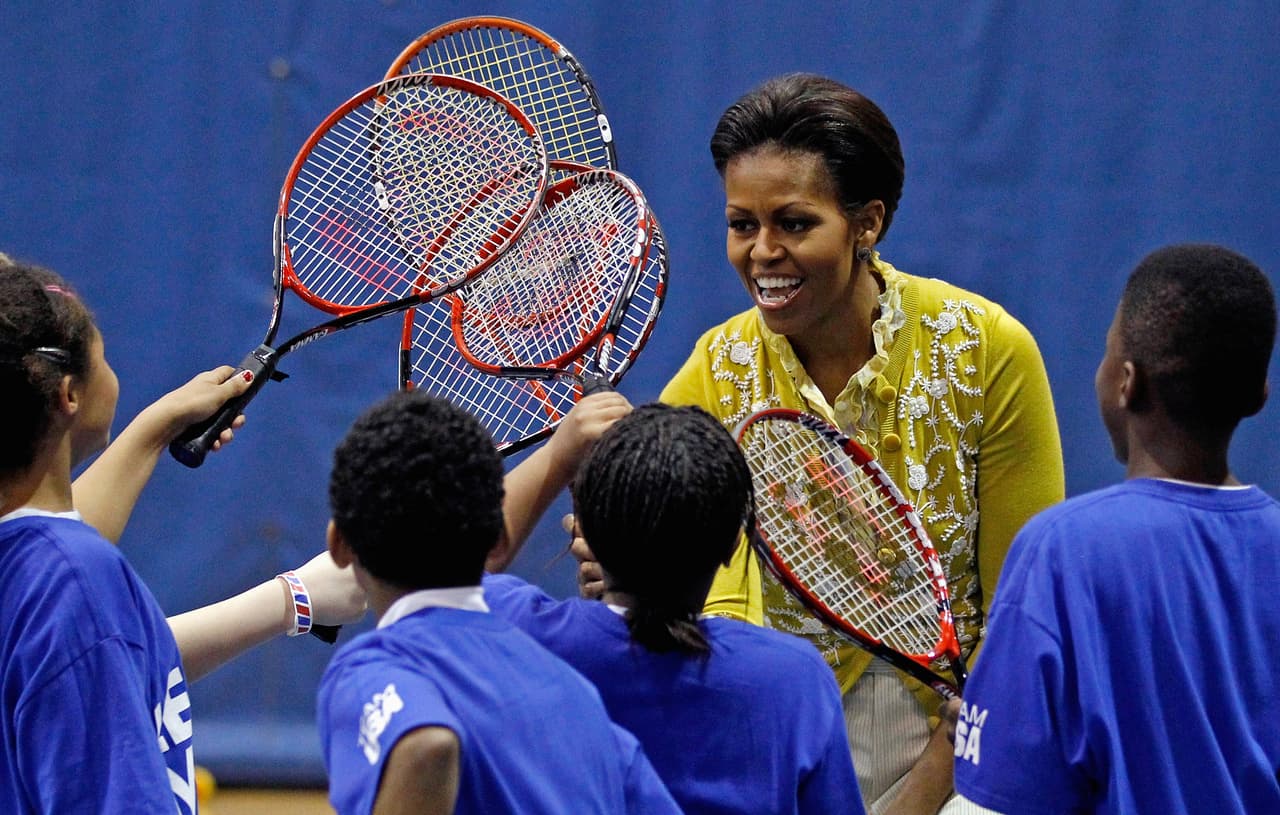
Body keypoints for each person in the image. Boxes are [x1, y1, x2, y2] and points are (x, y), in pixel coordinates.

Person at [568, 73, 1064, 814]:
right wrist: (616, 560)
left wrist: (940, 773)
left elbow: (1022, 611)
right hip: (768, 732)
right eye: (742, 224)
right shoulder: (718, 365)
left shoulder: (985, 350)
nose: (762, 252)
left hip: (958, 738)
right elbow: (645, 578)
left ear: (867, 223)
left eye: (794, 223)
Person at [0, 258, 364, 813]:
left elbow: (90, 665)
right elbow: (93, 645)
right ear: (67, 395)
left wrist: (155, 427)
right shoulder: (76, 581)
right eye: (104, 356)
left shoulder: (46, 573)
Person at [953, 243, 1280, 813]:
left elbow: (1009, 794)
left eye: (1107, 353)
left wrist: (995, 736)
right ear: (1259, 395)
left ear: (1126, 382)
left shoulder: (1062, 549)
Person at [487, 402, 864, 815]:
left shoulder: (517, 634)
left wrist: (559, 455)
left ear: (585, 531)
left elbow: (451, 563)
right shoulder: (795, 679)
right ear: (732, 547)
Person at [317, 390, 681, 815]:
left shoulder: (370, 669)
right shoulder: (580, 698)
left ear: (338, 544)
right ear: (500, 541)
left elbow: (425, 747)